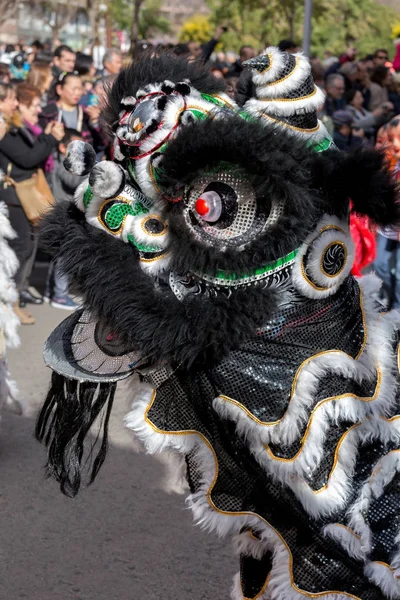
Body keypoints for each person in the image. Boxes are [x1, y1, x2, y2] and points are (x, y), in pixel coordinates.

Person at [37, 48, 400, 600]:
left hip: (307, 346)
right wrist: (110, 226)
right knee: (280, 524)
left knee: (352, 512)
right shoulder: (174, 180)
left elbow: (308, 196)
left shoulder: (268, 176)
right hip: (243, 359)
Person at [0, 83, 64, 324]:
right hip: (12, 194)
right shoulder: (2, 127)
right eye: (9, 99)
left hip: (19, 194)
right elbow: (27, 158)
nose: (14, 104)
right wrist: (48, 138)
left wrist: (45, 136)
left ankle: (13, 300)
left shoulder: (10, 125)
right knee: (19, 249)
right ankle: (9, 303)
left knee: (25, 248)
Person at [45, 128, 85, 309]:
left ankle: (49, 292)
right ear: (62, 147)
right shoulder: (61, 164)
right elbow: (74, 182)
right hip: (62, 215)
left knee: (58, 255)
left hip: (63, 213)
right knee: (63, 255)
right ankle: (59, 296)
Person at [40, 73, 103, 151]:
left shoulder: (86, 114)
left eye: (80, 89)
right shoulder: (46, 113)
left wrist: (94, 122)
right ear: (59, 89)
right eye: (74, 89)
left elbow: (101, 143)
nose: (77, 93)